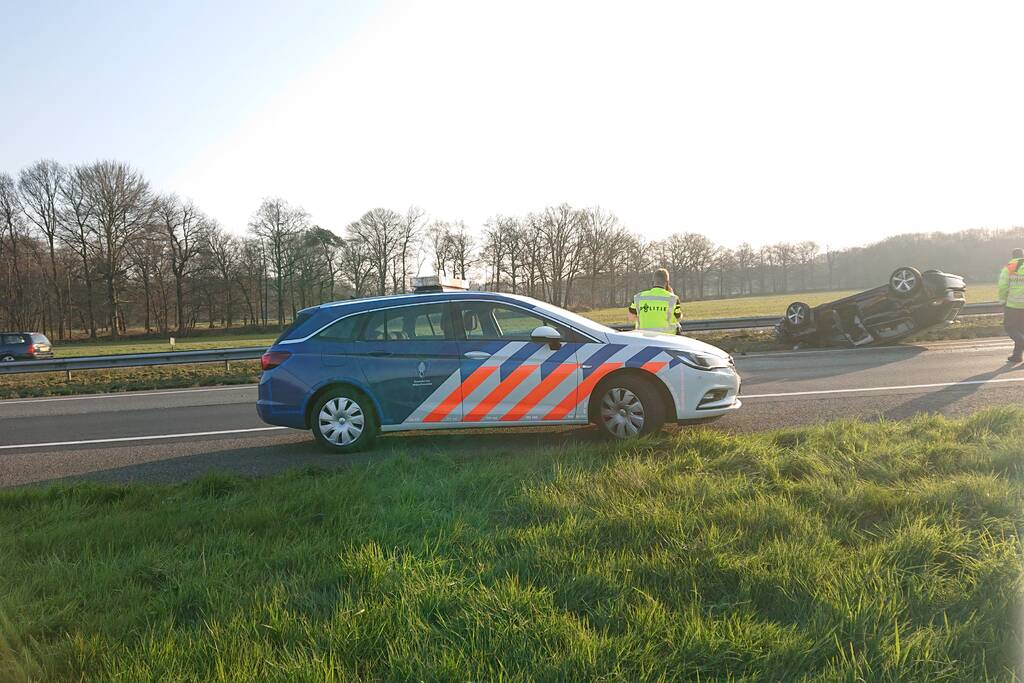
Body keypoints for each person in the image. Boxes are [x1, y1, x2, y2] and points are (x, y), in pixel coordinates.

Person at [628, 268, 682, 333]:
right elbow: (678, 318)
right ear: (667, 282)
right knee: (678, 327)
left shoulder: (638, 297)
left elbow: (631, 317)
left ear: (653, 282)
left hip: (643, 338)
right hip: (666, 338)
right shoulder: (673, 299)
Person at [998, 247, 1024, 363]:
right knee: (1021, 330)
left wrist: (1002, 300)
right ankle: (1017, 356)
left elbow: (1003, 286)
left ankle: (1019, 350)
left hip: (1013, 305)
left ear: (1013, 256)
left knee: (1010, 327)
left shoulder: (1009, 267)